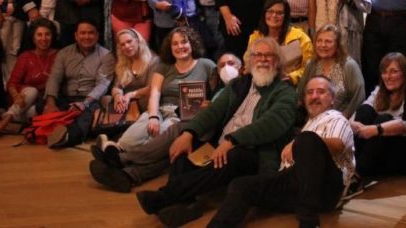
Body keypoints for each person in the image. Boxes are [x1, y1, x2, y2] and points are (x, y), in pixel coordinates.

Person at [133, 37, 297, 227]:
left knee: (233, 157)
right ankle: (185, 206)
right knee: (183, 149)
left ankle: (165, 196)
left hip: (253, 153)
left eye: (268, 55)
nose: (262, 59)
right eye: (257, 55)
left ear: (277, 61)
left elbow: (272, 123)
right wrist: (189, 133)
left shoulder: (285, 91)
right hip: (222, 144)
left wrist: (232, 140)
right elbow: (213, 111)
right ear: (250, 61)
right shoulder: (239, 84)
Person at [207, 75, 354, 227]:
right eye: (309, 92)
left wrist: (299, 141)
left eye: (320, 92)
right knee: (241, 185)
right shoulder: (308, 124)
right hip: (294, 184)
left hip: (325, 187)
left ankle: (309, 222)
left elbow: (338, 145)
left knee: (307, 139)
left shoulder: (336, 118)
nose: (314, 96)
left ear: (332, 98)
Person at [88, 27, 216, 193]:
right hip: (160, 109)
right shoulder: (165, 65)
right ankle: (125, 168)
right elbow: (154, 92)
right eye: (175, 44)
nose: (180, 46)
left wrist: (210, 103)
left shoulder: (206, 65)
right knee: (129, 141)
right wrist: (153, 116)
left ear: (192, 43)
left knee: (160, 139)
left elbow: (219, 91)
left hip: (182, 116)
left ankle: (121, 161)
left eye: (184, 42)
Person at [350, 53, 406, 179]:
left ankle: (358, 174)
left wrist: (376, 129)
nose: (388, 77)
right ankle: (352, 166)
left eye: (394, 71)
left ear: (405, 74)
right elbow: (363, 110)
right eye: (384, 72)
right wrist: (353, 124)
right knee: (365, 110)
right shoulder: (379, 91)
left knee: (384, 119)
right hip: (383, 149)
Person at [44, 19, 114, 148]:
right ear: (76, 35)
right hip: (66, 98)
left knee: (85, 116)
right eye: (82, 33)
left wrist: (84, 103)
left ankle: (68, 136)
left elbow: (102, 85)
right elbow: (54, 77)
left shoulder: (106, 56)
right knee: (43, 105)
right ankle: (59, 130)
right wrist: (50, 103)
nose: (86, 37)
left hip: (90, 99)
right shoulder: (64, 53)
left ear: (97, 35)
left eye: (91, 33)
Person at [0, 18, 58, 139]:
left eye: (47, 34)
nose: (44, 38)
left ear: (52, 36)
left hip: (42, 104)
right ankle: (6, 121)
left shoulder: (59, 55)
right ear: (33, 37)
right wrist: (16, 96)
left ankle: (7, 118)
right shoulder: (26, 56)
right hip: (24, 99)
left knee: (34, 111)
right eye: (39, 35)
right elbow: (12, 83)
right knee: (32, 91)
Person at [92, 28, 159, 155]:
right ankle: (112, 141)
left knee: (143, 102)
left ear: (138, 41)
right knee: (106, 99)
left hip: (143, 100)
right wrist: (118, 96)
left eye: (129, 42)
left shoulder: (154, 60)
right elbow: (117, 86)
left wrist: (130, 95)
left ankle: (113, 142)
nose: (126, 46)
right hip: (126, 104)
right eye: (122, 44)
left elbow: (152, 87)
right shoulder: (123, 62)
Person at [296, 24, 365, 119]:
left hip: (341, 121)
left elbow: (358, 98)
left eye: (328, 41)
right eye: (319, 41)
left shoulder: (349, 65)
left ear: (337, 45)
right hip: (313, 120)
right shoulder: (312, 64)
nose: (323, 45)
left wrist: (343, 118)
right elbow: (300, 94)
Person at [247, 0, 313, 85]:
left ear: (285, 16)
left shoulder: (300, 37)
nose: (274, 15)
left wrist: (291, 77)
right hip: (260, 83)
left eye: (279, 13)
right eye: (270, 11)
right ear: (264, 14)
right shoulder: (255, 37)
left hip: (290, 86)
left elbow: (309, 67)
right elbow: (248, 65)